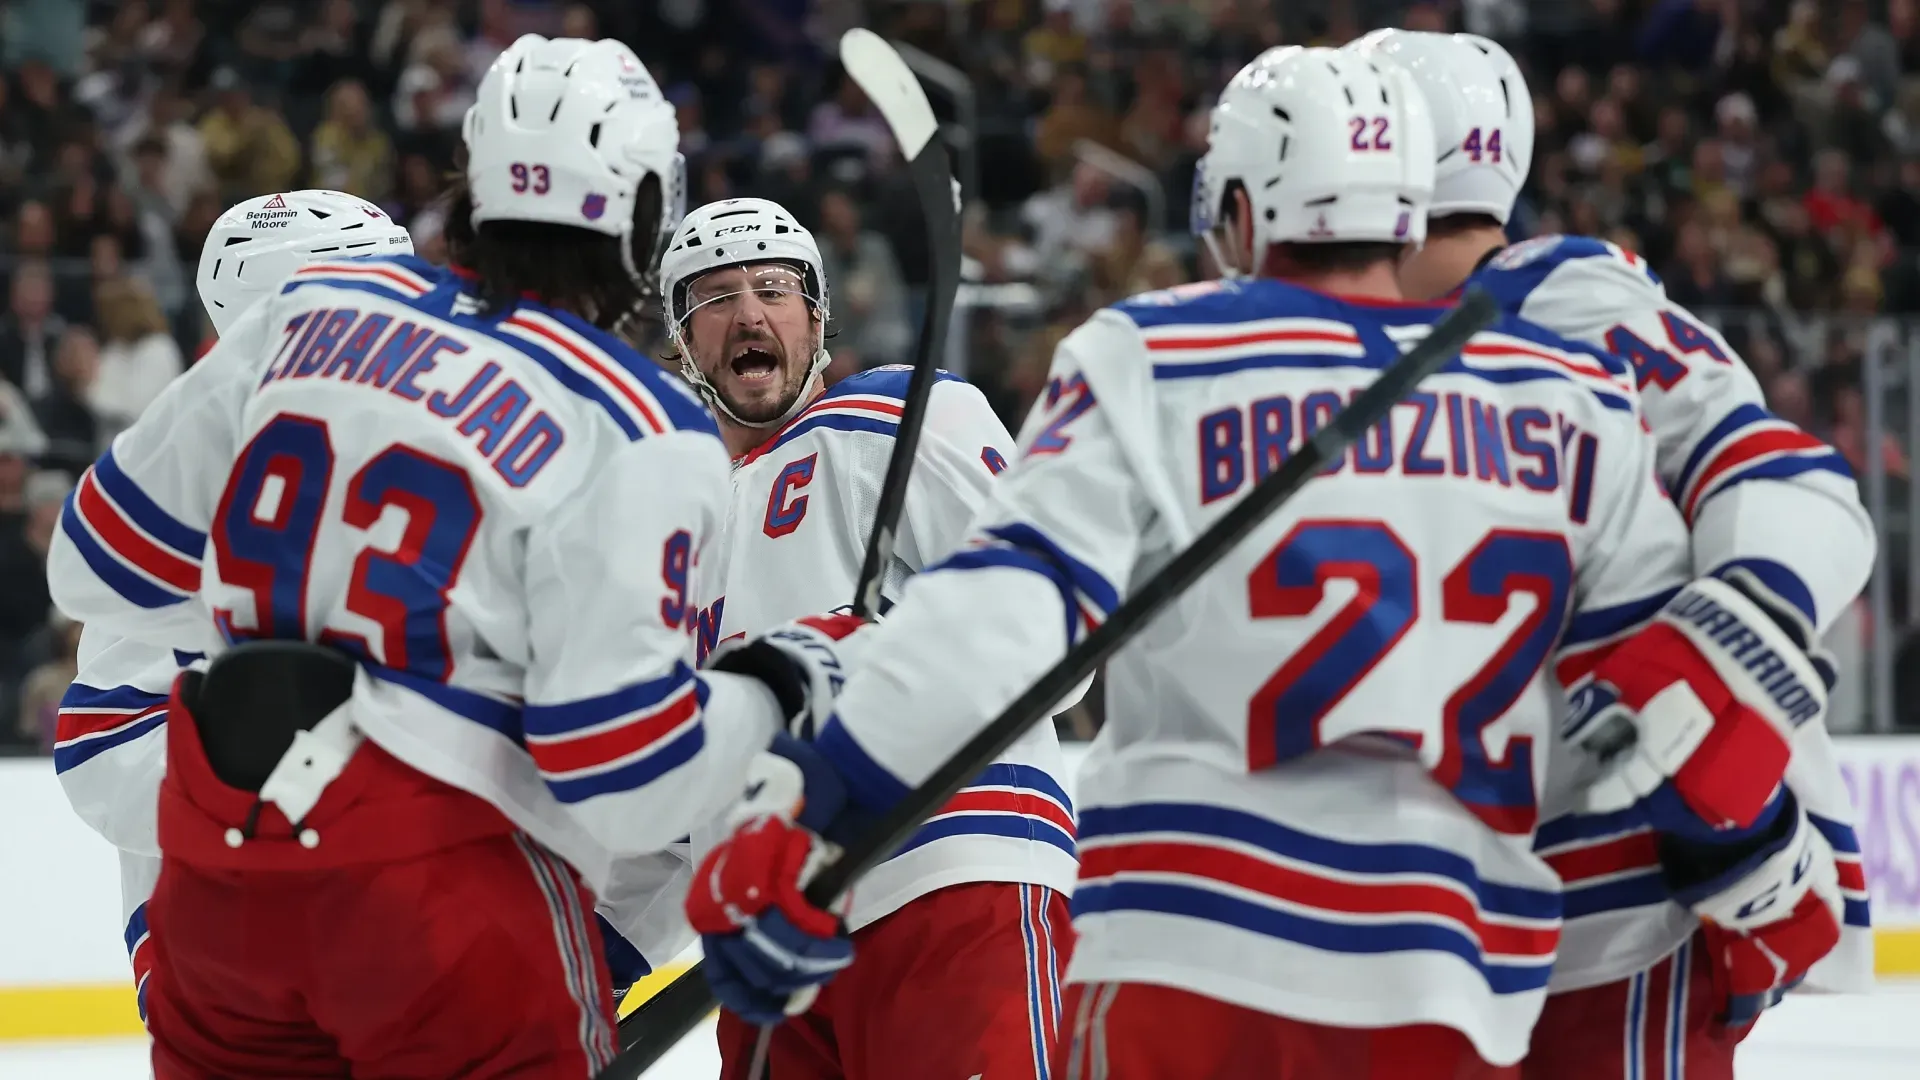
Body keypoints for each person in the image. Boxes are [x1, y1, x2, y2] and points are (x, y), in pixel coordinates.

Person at [684, 46, 1827, 1079]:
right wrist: (1765, 861)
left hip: (1191, 951)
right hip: (1451, 974)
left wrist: (808, 803)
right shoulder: (1561, 394)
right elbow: (1657, 701)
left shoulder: (1155, 356)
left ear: (1238, 207)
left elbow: (1008, 634)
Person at [46, 35, 851, 1079]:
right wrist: (784, 687)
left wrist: (300, 619)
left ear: (468, 185)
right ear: (649, 212)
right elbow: (626, 776)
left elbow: (90, 566)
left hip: (219, 892)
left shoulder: (307, 317)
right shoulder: (641, 420)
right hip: (441, 896)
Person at [1353, 29, 1872, 1080]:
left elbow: (1788, 482)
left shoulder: (1558, 301)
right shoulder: (1330, 349)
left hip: (1603, 918)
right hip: (1419, 928)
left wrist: (1711, 661)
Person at [658, 196, 1075, 1079]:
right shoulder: (669, 532)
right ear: (682, 341)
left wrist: (875, 665)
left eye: (772, 288)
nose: (748, 314)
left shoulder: (899, 412)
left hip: (943, 871)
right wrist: (606, 957)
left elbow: (1058, 636)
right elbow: (668, 793)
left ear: (815, 315)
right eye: (713, 298)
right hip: (764, 941)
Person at [50, 187, 414, 1026]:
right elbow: (104, 749)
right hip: (241, 969)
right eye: (385, 295)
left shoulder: (410, 470)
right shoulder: (183, 496)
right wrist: (291, 775)